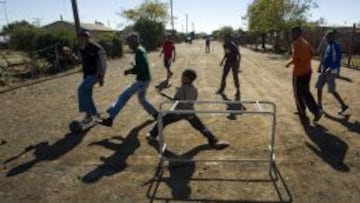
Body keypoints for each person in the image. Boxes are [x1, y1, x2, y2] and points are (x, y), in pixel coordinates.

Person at [146, 69, 229, 150]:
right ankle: (214, 140)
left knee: (162, 119)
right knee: (200, 127)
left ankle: (152, 135)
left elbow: (181, 101)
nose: (181, 78)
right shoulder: (193, 89)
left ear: (187, 78)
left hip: (179, 112)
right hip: (190, 112)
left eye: (183, 76)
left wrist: (175, 100)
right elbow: (189, 100)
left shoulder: (184, 88)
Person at [100, 33, 158, 127]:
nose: (129, 45)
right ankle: (156, 114)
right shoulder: (141, 49)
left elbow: (141, 68)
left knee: (124, 96)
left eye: (130, 43)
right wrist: (134, 68)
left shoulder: (139, 51)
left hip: (141, 81)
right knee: (142, 99)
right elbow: (142, 66)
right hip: (145, 79)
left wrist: (130, 71)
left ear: (134, 42)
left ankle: (110, 118)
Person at [285, 26, 322, 122]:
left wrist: (290, 63)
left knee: (298, 93)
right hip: (307, 71)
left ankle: (303, 112)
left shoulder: (296, 43)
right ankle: (315, 110)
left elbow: (297, 59)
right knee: (306, 92)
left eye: (292, 33)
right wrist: (305, 62)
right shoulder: (305, 42)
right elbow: (312, 53)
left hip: (299, 73)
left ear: (297, 33)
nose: (291, 35)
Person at [76, 30, 107, 125]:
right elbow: (79, 61)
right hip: (87, 75)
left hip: (95, 74)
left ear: (87, 38)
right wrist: (69, 55)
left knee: (81, 90)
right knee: (87, 94)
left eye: (83, 38)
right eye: (79, 38)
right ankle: (95, 114)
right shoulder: (82, 49)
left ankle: (88, 116)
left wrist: (101, 77)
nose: (81, 40)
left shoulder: (97, 48)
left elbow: (103, 63)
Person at [316, 31, 349, 115]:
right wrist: (322, 67)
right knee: (319, 86)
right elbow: (326, 58)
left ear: (332, 38)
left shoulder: (335, 46)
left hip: (331, 72)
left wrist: (330, 68)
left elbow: (337, 59)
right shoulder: (329, 46)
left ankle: (343, 105)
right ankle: (319, 105)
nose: (326, 39)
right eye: (326, 37)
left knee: (332, 90)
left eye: (328, 37)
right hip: (325, 70)